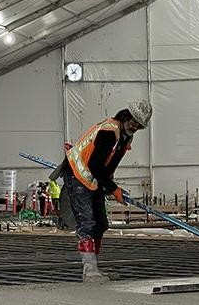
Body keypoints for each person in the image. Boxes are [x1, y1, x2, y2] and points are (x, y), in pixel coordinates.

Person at [54, 100, 152, 282]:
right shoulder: (110, 131)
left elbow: (108, 165)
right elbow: (95, 164)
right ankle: (89, 271)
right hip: (78, 174)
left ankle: (93, 270)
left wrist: (110, 186)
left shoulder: (125, 136)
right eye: (134, 121)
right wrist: (113, 189)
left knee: (100, 223)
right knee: (87, 223)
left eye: (139, 125)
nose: (136, 126)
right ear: (126, 115)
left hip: (93, 177)